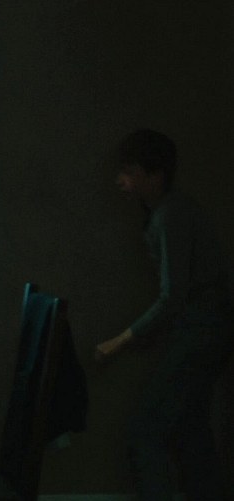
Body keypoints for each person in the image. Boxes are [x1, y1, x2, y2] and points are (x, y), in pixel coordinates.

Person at [96, 129, 233, 500]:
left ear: (155, 176)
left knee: (144, 432)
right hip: (208, 333)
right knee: (190, 431)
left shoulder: (171, 216)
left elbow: (173, 298)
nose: (120, 181)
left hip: (201, 336)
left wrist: (119, 342)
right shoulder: (166, 213)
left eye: (129, 172)